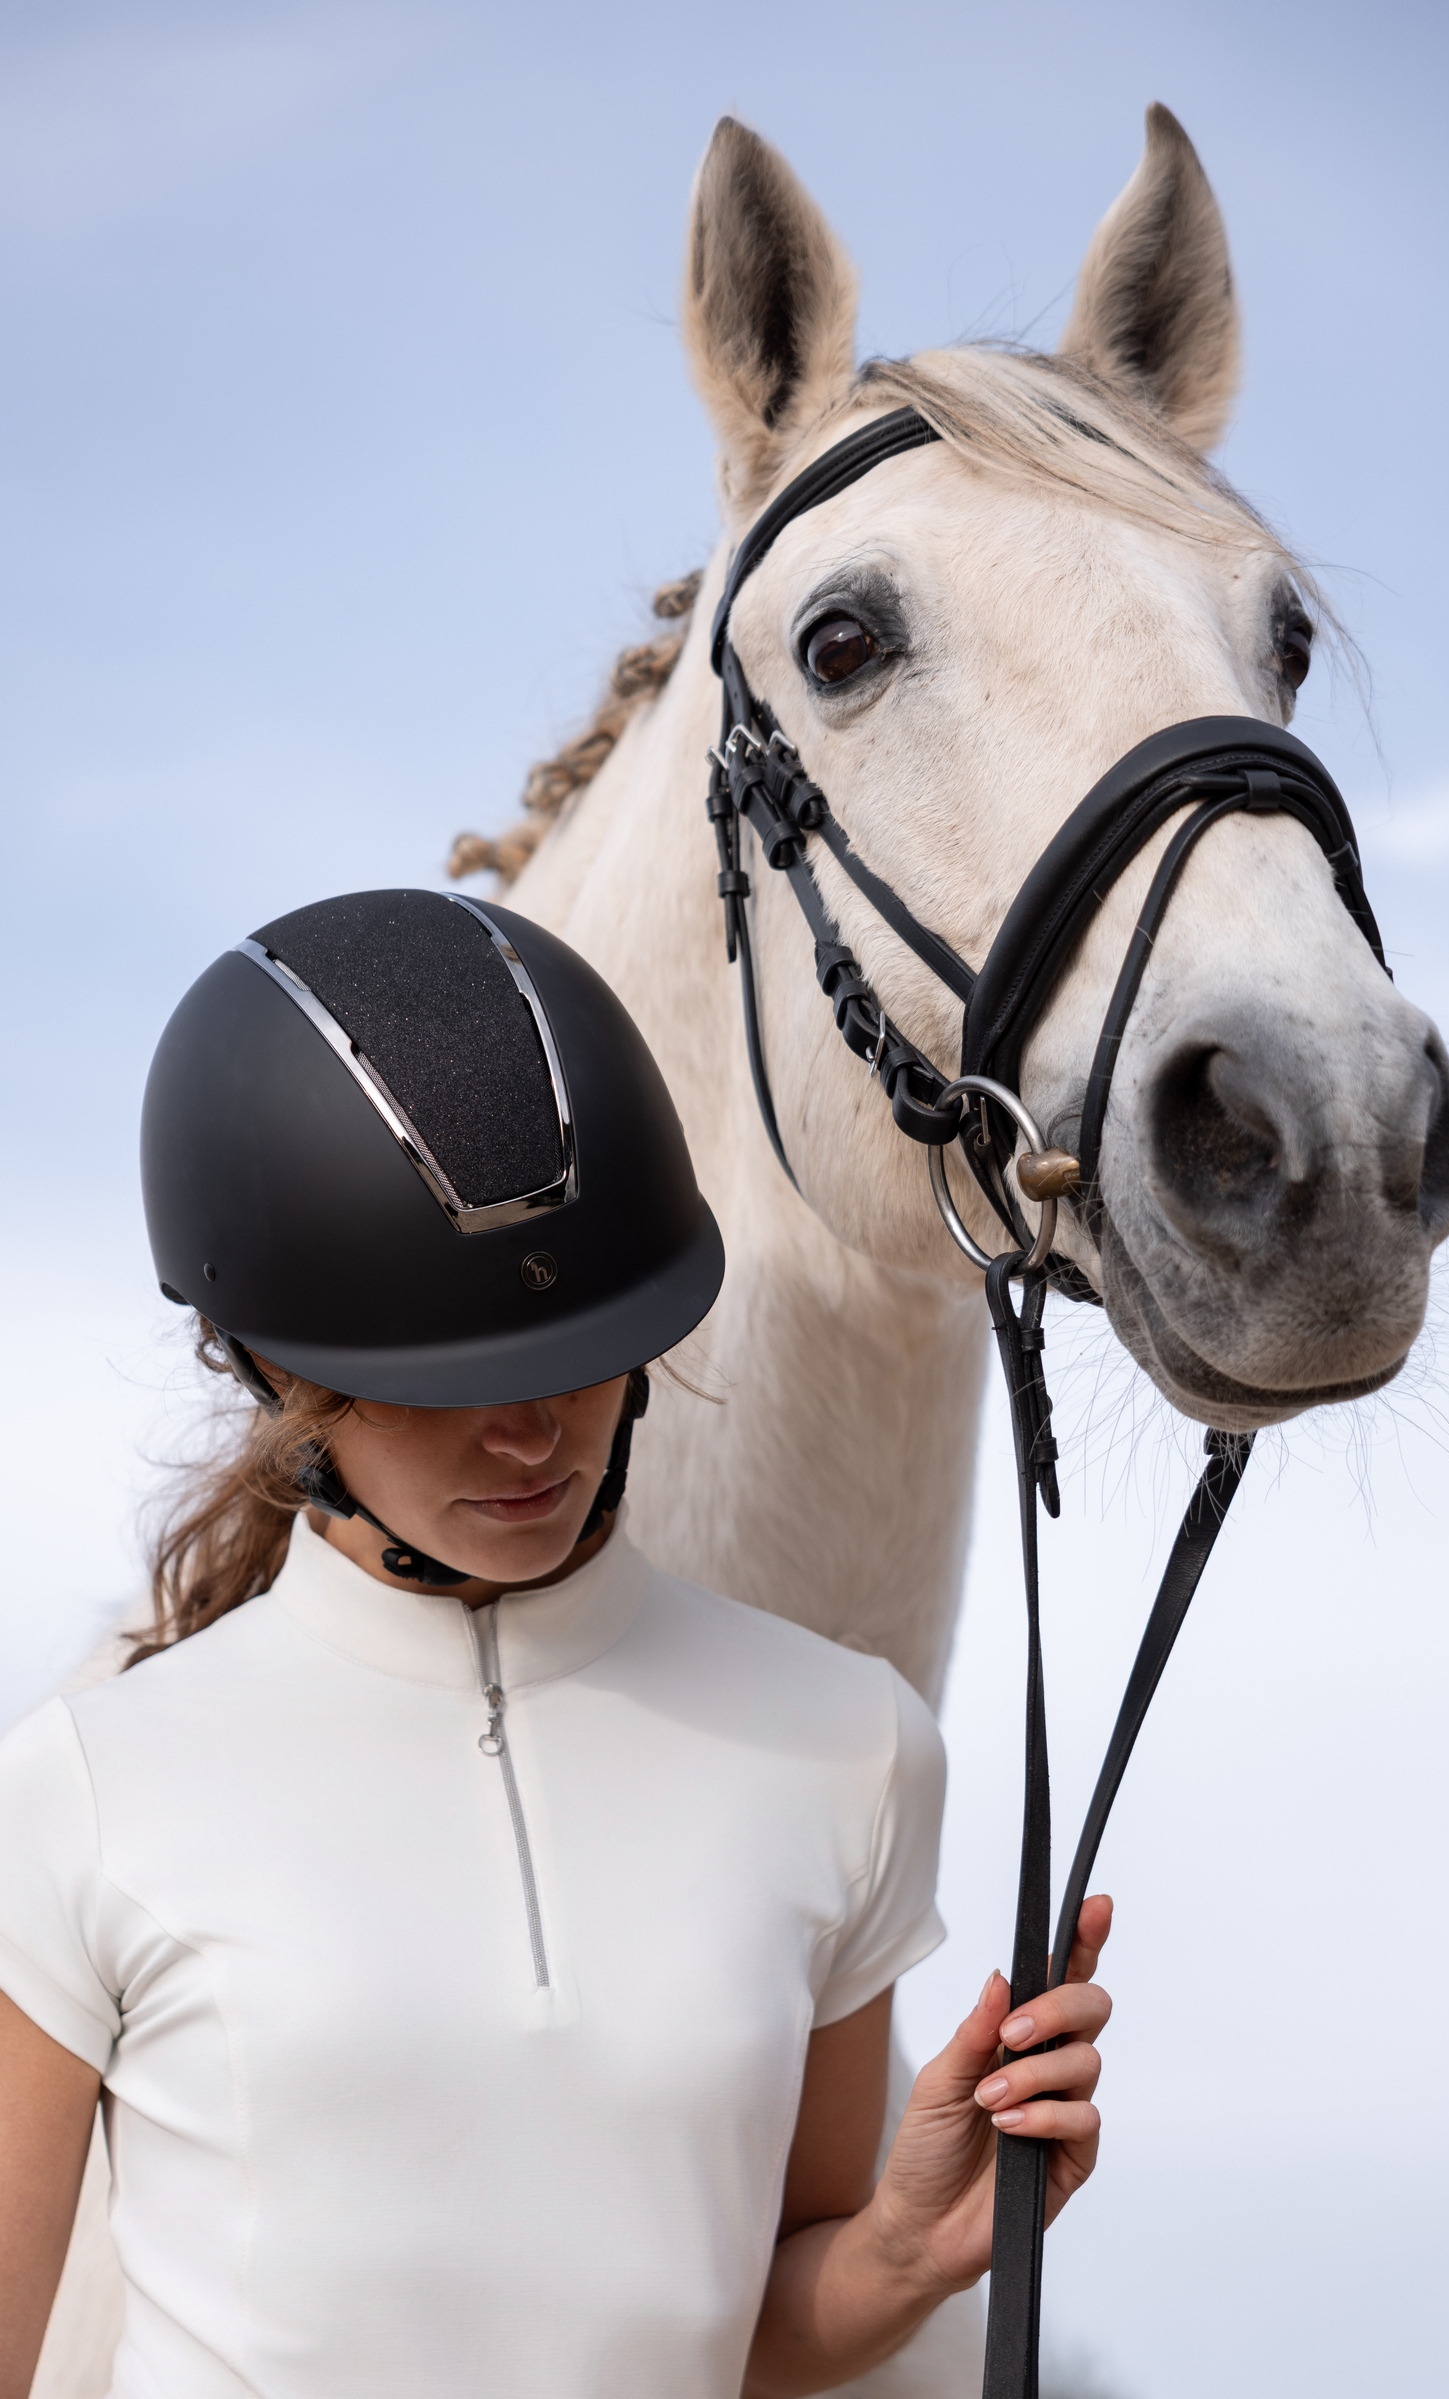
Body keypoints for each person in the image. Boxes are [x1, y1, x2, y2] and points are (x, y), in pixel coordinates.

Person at [0, 889, 1112, 2399]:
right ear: (267, 1364)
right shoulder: (87, 1787)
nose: (530, 1433)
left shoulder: (848, 1749)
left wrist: (908, 2251)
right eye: (444, 1377)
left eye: (581, 1350)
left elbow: (749, 2344)